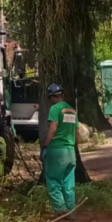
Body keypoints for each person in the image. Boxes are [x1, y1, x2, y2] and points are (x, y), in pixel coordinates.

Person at [41, 83, 78, 212]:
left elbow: (53, 129)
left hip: (57, 151)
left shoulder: (55, 109)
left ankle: (61, 211)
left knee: (53, 181)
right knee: (69, 184)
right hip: (70, 151)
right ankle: (71, 211)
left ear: (52, 97)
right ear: (62, 95)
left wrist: (45, 146)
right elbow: (77, 132)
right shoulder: (72, 110)